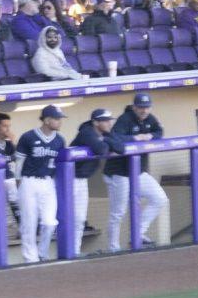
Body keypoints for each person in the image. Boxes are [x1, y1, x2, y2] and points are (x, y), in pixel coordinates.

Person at [104, 93, 168, 251]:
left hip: (138, 172)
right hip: (119, 172)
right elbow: (115, 137)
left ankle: (138, 233)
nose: (144, 110)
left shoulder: (150, 119)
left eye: (147, 107)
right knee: (118, 212)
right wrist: (136, 138)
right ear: (134, 107)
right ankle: (113, 248)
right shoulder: (124, 119)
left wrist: (151, 135)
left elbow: (160, 132)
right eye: (141, 107)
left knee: (160, 198)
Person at [13, 105, 66, 263]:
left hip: (48, 182)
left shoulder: (59, 140)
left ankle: (42, 253)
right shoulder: (28, 137)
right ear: (47, 120)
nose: (59, 122)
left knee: (50, 222)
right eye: (57, 119)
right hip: (28, 181)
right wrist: (19, 184)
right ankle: (30, 258)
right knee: (29, 223)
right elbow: (19, 163)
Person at [70, 108, 123, 255]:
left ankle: (74, 251)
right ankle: (65, 252)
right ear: (95, 122)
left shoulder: (105, 133)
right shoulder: (86, 132)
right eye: (105, 121)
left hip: (82, 179)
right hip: (67, 179)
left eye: (109, 120)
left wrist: (105, 138)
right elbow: (101, 150)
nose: (108, 123)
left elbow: (121, 148)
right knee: (66, 217)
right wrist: (106, 141)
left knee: (79, 218)